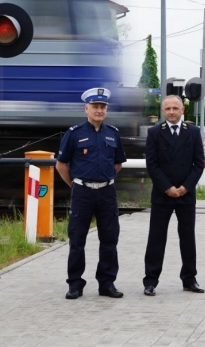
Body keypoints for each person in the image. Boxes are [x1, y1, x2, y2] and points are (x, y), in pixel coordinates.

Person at [55, 87, 127, 300]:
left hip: (106, 193)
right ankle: (75, 284)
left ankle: (107, 283)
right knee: (77, 240)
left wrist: (102, 180)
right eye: (95, 106)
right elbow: (61, 165)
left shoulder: (113, 133)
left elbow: (117, 164)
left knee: (109, 240)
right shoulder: (74, 133)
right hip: (82, 193)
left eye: (103, 106)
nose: (99, 110)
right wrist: (76, 185)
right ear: (86, 108)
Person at [143, 95, 205, 297]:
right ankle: (150, 281)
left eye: (175, 108)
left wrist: (185, 187)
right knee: (156, 238)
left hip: (186, 195)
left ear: (183, 110)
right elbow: (152, 164)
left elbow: (199, 164)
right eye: (167, 108)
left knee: (188, 238)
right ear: (163, 111)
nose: (171, 111)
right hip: (162, 194)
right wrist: (168, 187)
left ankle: (189, 279)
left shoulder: (194, 132)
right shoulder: (154, 133)